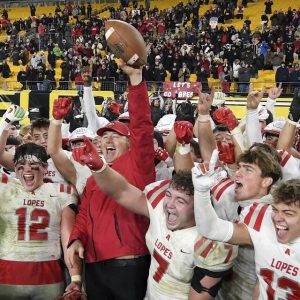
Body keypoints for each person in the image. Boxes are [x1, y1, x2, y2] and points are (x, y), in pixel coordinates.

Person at [68, 136, 237, 300]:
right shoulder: (159, 206)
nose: (169, 204)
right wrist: (99, 167)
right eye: (169, 195)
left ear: (199, 207)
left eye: (180, 201)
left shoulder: (211, 244)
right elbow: (121, 191)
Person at [66, 61, 155, 300]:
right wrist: (76, 238)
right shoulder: (97, 176)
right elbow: (83, 214)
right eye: (104, 138)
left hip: (128, 264)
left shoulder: (139, 164)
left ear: (130, 143)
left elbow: (142, 126)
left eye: (115, 137)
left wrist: (136, 79)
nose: (107, 141)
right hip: (94, 266)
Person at [192, 151, 300, 299]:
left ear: (266, 182)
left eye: (288, 213)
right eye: (276, 210)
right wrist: (201, 191)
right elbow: (210, 229)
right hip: (228, 289)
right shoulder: (263, 218)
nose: (278, 218)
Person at [0, 142, 81, 299]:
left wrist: (75, 278)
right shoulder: (5, 186)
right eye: (21, 165)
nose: (27, 169)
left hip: (47, 276)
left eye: (33, 164)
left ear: (45, 168)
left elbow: (68, 239)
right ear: (14, 168)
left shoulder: (62, 192)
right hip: (7, 274)